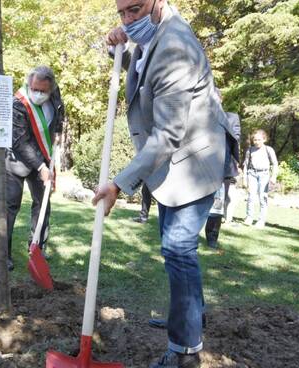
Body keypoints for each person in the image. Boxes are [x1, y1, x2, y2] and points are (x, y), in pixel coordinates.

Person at [100, 1, 233, 367]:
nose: (128, 20)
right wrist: (120, 49)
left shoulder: (175, 44)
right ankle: (187, 316)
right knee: (175, 252)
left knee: (177, 250)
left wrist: (119, 184)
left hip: (194, 161)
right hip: (172, 167)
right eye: (121, 13)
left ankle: (186, 349)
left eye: (135, 9)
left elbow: (169, 133)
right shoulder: (151, 36)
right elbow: (147, 78)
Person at [5, 65, 64, 271]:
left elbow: (59, 110)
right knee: (10, 206)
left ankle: (37, 248)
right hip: (17, 161)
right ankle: (5, 254)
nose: (38, 93)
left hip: (44, 157)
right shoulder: (18, 103)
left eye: (43, 91)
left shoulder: (54, 93)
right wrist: (40, 166)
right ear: (29, 84)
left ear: (50, 88)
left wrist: (58, 130)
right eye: (35, 89)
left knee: (43, 205)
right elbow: (19, 141)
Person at [204, 89, 241, 248]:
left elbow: (235, 138)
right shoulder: (198, 117)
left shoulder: (231, 118)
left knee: (217, 204)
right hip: (199, 167)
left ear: (220, 99)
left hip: (222, 167)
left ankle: (212, 237)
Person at [242, 129, 278, 228]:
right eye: (255, 140)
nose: (257, 142)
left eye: (259, 139)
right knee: (251, 196)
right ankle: (249, 217)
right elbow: (246, 165)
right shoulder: (250, 150)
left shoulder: (269, 149)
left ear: (264, 139)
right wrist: (244, 178)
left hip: (264, 175)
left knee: (263, 197)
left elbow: (275, 163)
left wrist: (274, 176)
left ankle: (261, 220)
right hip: (252, 174)